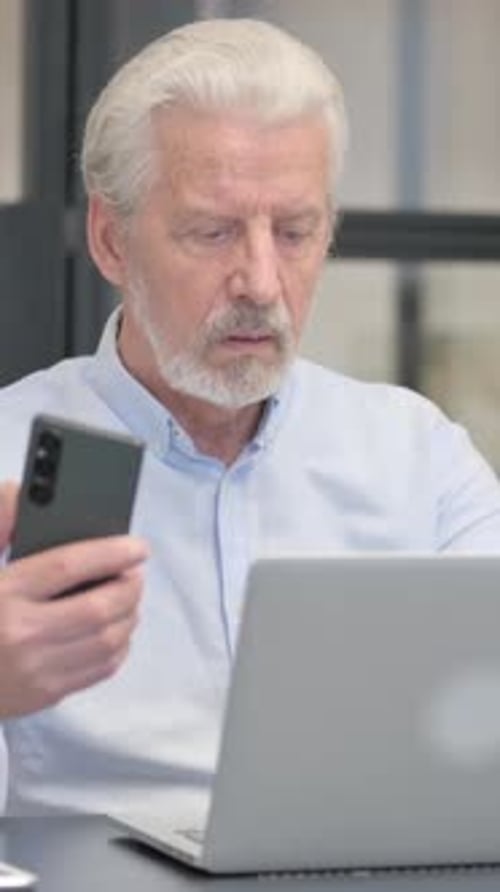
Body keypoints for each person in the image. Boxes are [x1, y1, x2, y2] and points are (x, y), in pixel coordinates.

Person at [1, 17, 500, 818]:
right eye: (212, 231)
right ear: (109, 240)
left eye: (297, 232)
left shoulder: (420, 459)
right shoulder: (7, 454)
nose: (262, 282)